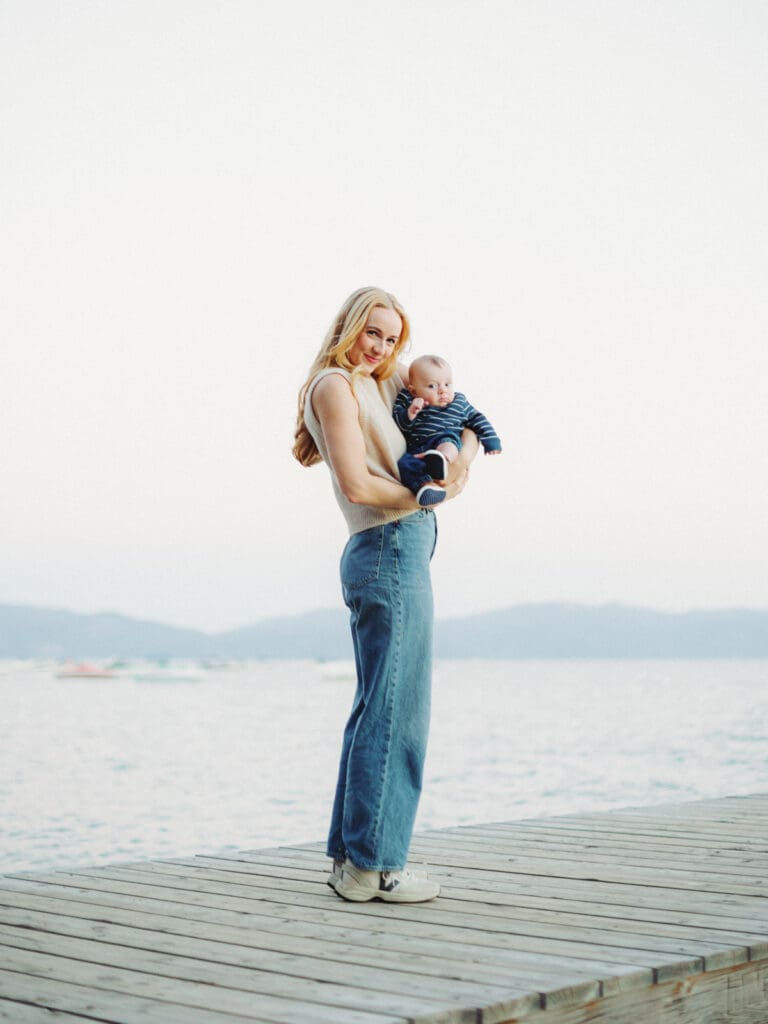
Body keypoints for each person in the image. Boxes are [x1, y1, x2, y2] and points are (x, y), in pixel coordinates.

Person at [293, 286, 478, 903]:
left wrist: (461, 454)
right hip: (387, 548)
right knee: (399, 713)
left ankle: (352, 859)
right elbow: (357, 482)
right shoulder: (334, 386)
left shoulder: (384, 380)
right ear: (348, 326)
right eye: (372, 333)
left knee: (378, 705)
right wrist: (440, 493)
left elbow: (460, 410)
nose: (381, 346)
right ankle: (378, 867)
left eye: (392, 337)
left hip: (399, 548)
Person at [394, 354, 502, 506]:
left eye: (447, 384)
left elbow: (477, 418)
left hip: (444, 438)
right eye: (432, 386)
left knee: (448, 444)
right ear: (413, 391)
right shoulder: (408, 400)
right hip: (418, 448)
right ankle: (427, 488)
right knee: (405, 464)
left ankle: (441, 460)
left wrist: (491, 440)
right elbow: (399, 422)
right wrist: (410, 413)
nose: (442, 391)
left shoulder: (458, 403)